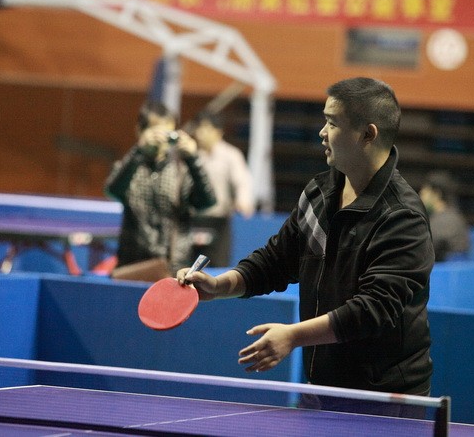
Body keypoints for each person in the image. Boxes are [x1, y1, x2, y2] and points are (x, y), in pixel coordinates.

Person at [177, 77, 435, 413]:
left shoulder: (401, 217)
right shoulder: (319, 193)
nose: (322, 133)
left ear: (367, 134)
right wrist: (219, 285)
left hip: (385, 398)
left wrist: (293, 336)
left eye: (333, 123)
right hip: (321, 387)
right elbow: (277, 260)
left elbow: (374, 309)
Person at [104, 101, 216, 280]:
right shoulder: (129, 166)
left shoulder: (181, 171)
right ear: (140, 131)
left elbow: (206, 202)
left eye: (167, 133)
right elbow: (113, 190)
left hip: (174, 268)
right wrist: (139, 151)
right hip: (132, 265)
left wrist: (193, 159)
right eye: (156, 131)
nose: (161, 139)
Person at [190, 111, 255, 267]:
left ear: (218, 132)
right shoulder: (191, 156)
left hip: (219, 221)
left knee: (217, 267)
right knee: (189, 269)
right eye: (198, 128)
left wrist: (243, 200)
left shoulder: (231, 155)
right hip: (193, 220)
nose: (200, 134)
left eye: (206, 129)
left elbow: (242, 182)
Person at [419, 170, 471, 261]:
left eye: (425, 190)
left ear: (436, 194)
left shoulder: (444, 220)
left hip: (443, 268)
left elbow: (421, 251)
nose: (421, 194)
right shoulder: (453, 215)